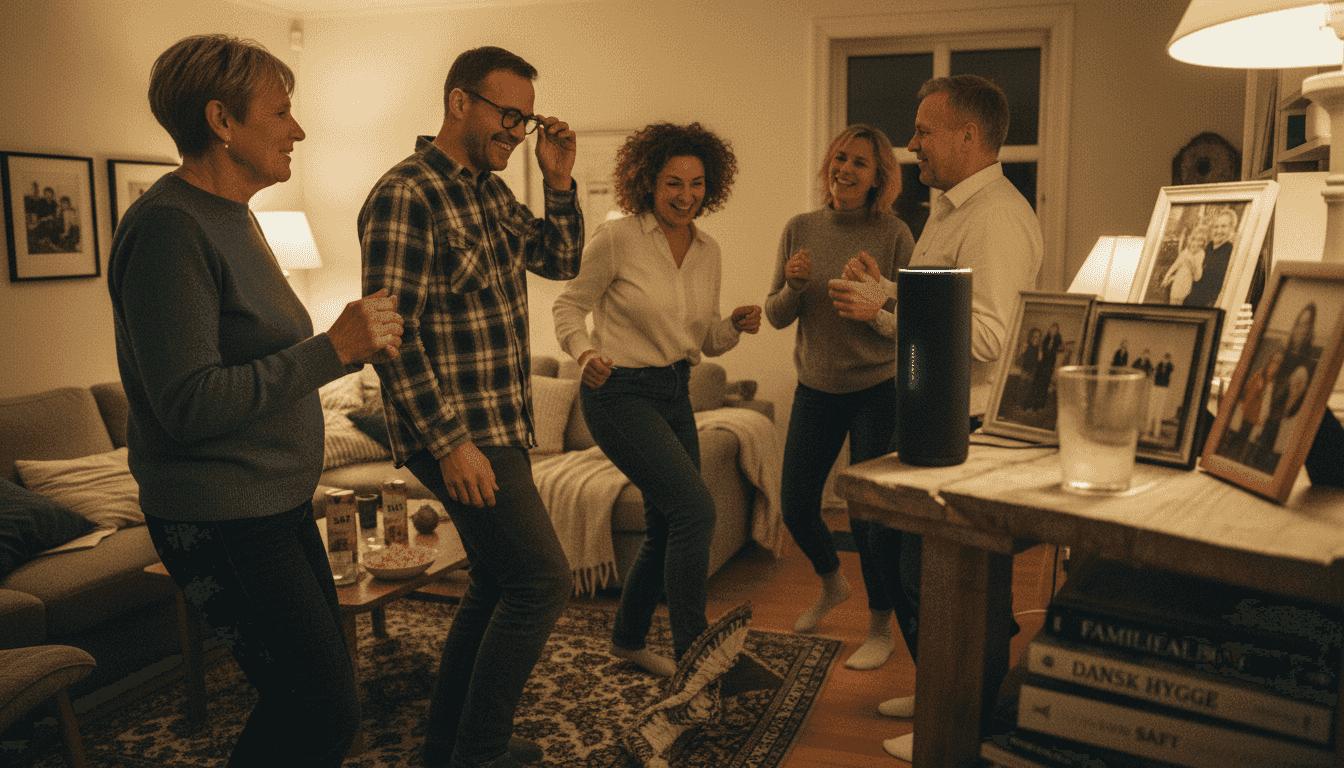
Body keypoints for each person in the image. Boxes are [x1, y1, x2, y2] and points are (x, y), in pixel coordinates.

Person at [108, 34, 404, 767]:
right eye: (280, 112)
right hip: (220, 517)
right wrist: (333, 350)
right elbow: (188, 404)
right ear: (221, 120)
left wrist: (342, 348)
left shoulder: (233, 214)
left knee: (317, 702)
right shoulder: (169, 227)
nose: (297, 130)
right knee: (320, 709)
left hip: (272, 504)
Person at [359, 45, 581, 768]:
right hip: (458, 430)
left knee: (494, 579)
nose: (517, 131)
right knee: (541, 580)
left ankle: (446, 747)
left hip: (501, 422)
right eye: (507, 114)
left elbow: (559, 260)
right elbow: (390, 337)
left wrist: (559, 182)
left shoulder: (490, 193)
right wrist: (451, 443)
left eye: (525, 119)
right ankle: (478, 754)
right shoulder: (407, 194)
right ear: (460, 102)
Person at [845, 74, 1042, 761]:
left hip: (967, 426)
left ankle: (964, 726)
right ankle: (940, 690)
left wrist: (884, 309)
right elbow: (939, 308)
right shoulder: (952, 209)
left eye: (924, 131)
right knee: (911, 568)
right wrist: (885, 291)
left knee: (955, 584)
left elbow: (988, 338)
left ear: (969, 135)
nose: (911, 144)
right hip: (929, 413)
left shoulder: (996, 219)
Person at [553, 122, 760, 676]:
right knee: (695, 511)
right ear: (648, 182)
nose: (686, 196)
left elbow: (704, 338)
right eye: (673, 183)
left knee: (668, 524)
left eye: (697, 184)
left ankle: (628, 639)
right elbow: (568, 307)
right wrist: (584, 353)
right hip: (617, 393)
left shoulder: (708, 251)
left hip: (674, 391)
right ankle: (697, 655)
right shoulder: (617, 238)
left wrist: (734, 326)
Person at [764, 123, 915, 672]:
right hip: (817, 387)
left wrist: (873, 311)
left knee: (868, 517)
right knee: (796, 504)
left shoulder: (895, 234)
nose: (845, 170)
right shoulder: (799, 228)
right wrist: (793, 286)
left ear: (878, 179)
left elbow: (911, 319)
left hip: (878, 389)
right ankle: (832, 582)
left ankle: (880, 627)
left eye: (860, 164)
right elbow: (776, 315)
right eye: (841, 158)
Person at [1183, 208, 1238, 307]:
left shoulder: (1230, 253)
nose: (1218, 231)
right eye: (1216, 227)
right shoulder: (1208, 246)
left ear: (1231, 229)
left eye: (1223, 226)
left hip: (1205, 307)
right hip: (1189, 300)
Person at [1162, 225, 1207, 305]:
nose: (1196, 243)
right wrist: (1167, 277)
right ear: (1191, 240)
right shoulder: (1185, 251)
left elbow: (1197, 276)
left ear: (1204, 242)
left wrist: (1192, 260)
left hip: (1186, 284)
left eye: (1200, 240)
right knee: (1172, 301)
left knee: (1180, 302)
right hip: (1177, 282)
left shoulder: (1201, 253)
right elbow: (1175, 265)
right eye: (1194, 239)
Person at [1024, 322, 1062, 411]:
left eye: (1055, 330)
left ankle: (1039, 406)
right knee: (1036, 384)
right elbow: (1041, 350)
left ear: (1057, 331)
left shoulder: (1058, 340)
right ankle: (1030, 404)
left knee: (1044, 385)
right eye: (1052, 329)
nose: (1053, 331)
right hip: (1041, 364)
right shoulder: (1046, 339)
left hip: (1049, 366)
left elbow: (1059, 352)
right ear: (1050, 329)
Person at [1149, 353, 1175, 438]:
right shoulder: (1159, 365)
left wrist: (1168, 363)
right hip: (1156, 387)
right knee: (1152, 408)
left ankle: (1156, 433)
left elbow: (1171, 369)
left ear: (1169, 360)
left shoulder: (1169, 367)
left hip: (1164, 388)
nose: (1165, 360)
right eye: (1165, 358)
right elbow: (1154, 371)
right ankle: (1148, 429)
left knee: (1159, 410)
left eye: (1167, 359)